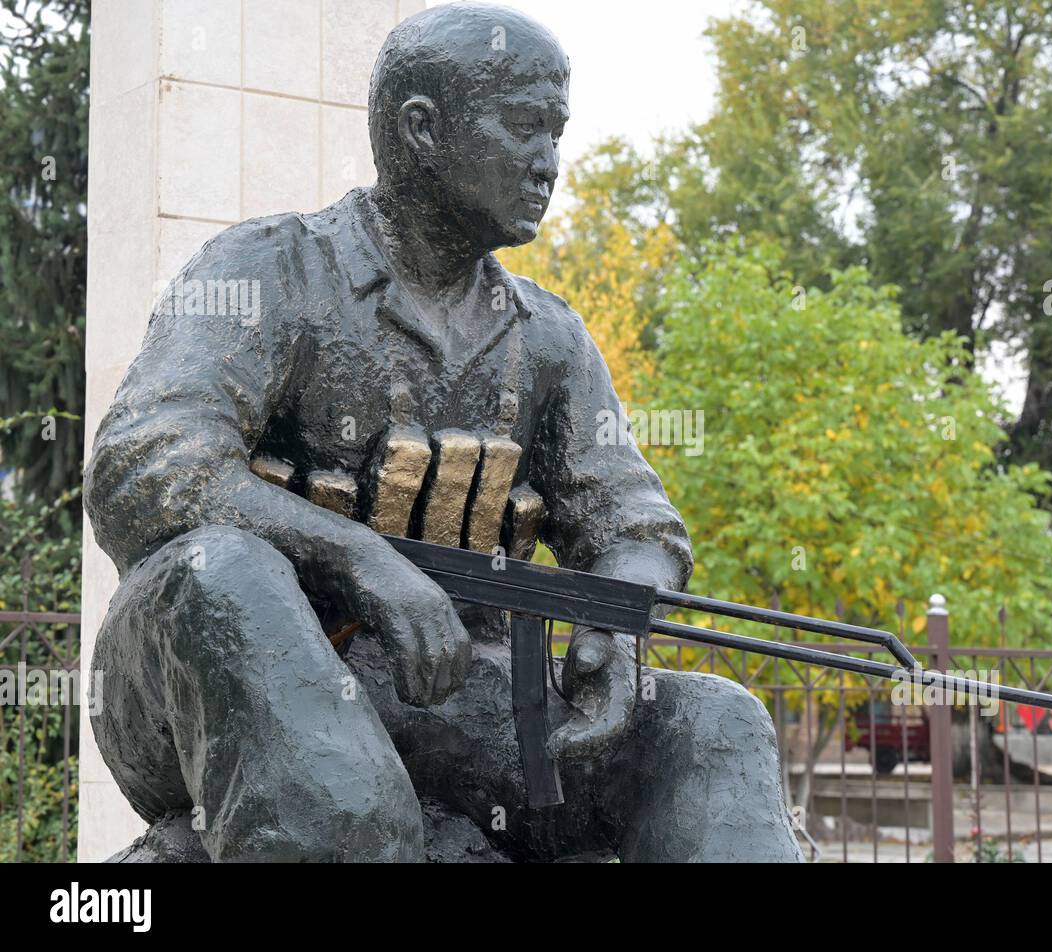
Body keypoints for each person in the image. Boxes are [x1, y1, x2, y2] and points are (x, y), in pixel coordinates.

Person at [85, 2, 800, 862]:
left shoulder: (548, 337)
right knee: (224, 570)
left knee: (713, 723)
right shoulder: (267, 270)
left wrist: (613, 625)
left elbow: (636, 525)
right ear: (424, 128)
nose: (548, 163)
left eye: (559, 133)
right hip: (216, 692)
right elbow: (145, 464)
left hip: (456, 705)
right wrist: (356, 556)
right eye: (524, 127)